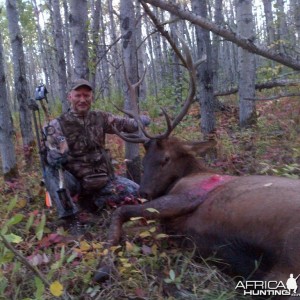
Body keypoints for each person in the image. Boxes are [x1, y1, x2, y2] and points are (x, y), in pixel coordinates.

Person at [44, 78, 149, 223]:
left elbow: (125, 124)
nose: (82, 100)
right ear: (70, 97)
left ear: (91, 97)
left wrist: (141, 121)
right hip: (77, 184)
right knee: (51, 171)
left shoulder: (101, 118)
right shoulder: (57, 124)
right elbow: (52, 151)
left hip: (103, 180)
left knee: (139, 194)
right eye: (78, 95)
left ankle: (94, 204)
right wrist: (55, 155)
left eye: (86, 95)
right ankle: (69, 217)